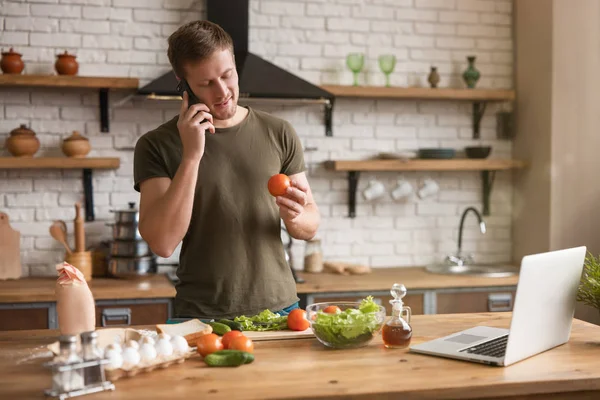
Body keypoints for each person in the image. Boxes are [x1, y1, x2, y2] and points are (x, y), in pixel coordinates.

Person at [133, 20, 320, 320]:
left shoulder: (279, 132)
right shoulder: (157, 144)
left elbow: (310, 224)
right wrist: (192, 156)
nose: (222, 92)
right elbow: (163, 243)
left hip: (281, 311)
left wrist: (296, 216)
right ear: (183, 84)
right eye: (206, 83)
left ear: (234, 63)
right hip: (202, 317)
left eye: (227, 75)